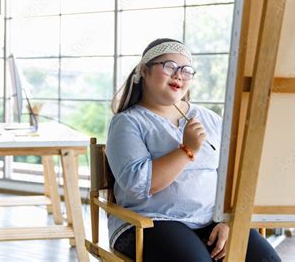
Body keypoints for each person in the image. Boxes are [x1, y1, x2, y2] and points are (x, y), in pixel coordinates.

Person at [106, 38, 281, 261]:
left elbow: (233, 178)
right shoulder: (127, 122)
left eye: (186, 70)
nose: (179, 74)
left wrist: (228, 221)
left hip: (210, 220)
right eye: (169, 66)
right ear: (144, 71)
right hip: (152, 221)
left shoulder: (210, 119)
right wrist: (187, 149)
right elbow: (139, 185)